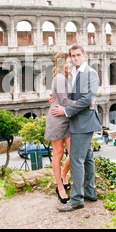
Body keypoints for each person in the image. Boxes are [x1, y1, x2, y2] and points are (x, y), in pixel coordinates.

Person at [51, 44, 102, 212]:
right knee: (87, 158)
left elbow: (88, 99)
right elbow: (71, 97)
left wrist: (65, 109)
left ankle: (77, 200)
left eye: (78, 55)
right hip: (80, 122)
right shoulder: (75, 74)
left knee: (75, 161)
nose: (75, 58)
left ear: (84, 54)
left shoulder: (90, 73)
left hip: (83, 123)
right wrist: (55, 100)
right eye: (73, 56)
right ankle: (90, 193)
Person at [44, 51, 74, 204]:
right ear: (60, 64)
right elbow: (64, 101)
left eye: (71, 62)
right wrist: (86, 103)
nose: (69, 65)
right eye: (66, 63)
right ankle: (60, 188)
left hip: (67, 119)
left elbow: (58, 97)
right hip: (57, 119)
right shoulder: (61, 77)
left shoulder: (68, 77)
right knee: (58, 154)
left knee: (72, 152)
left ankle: (63, 174)